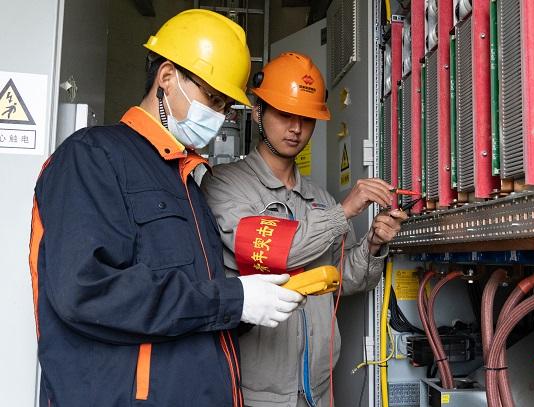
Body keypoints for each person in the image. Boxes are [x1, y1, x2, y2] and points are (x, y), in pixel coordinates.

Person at [28, 10, 303, 407]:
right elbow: (87, 291)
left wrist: (250, 304)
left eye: (226, 105)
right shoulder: (92, 156)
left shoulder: (187, 180)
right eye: (213, 98)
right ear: (168, 77)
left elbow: (192, 308)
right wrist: (233, 299)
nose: (219, 116)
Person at [200, 52, 407, 407]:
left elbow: (344, 279)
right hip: (255, 391)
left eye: (306, 118)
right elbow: (275, 252)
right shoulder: (224, 185)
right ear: (258, 112)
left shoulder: (319, 198)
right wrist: (344, 211)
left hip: (318, 387)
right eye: (284, 114)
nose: (296, 128)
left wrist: (372, 245)